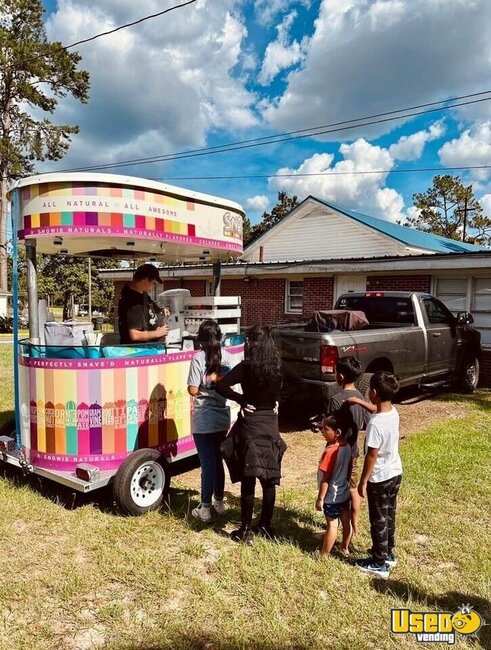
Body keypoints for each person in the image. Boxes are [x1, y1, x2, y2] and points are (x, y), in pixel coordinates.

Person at [216, 325, 288, 544]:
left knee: (249, 479)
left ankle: (245, 530)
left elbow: (220, 386)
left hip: (251, 426)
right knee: (269, 479)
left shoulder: (246, 367)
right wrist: (277, 400)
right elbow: (300, 385)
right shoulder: (278, 367)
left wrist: (241, 400)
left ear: (252, 343)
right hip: (270, 426)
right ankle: (265, 526)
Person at [351, 371, 402, 579]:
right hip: (395, 472)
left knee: (378, 519)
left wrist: (363, 481)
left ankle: (380, 564)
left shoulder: (375, 425)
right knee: (389, 514)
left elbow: (372, 455)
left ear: (372, 392)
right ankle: (388, 552)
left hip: (379, 478)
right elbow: (376, 409)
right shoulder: (393, 412)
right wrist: (359, 402)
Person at [187, 320, 233, 523]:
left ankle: (205, 508)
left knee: (207, 464)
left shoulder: (198, 358)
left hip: (203, 418)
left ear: (202, 340)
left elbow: (193, 389)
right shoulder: (228, 357)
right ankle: (219, 502)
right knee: (218, 462)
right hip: (222, 417)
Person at [325, 356, 370, 537]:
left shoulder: (336, 400)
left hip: (337, 453)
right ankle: (354, 525)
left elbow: (330, 428)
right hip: (354, 451)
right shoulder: (360, 397)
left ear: (341, 376)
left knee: (335, 487)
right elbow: (366, 422)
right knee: (352, 488)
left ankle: (333, 524)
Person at [315, 412, 352, 556]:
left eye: (325, 429)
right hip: (343, 492)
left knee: (332, 524)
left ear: (337, 432)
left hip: (331, 496)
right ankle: (345, 547)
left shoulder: (330, 451)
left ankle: (324, 554)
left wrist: (320, 498)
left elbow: (326, 478)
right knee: (346, 521)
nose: (322, 431)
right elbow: (349, 469)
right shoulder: (347, 447)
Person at [117, 263, 169, 344]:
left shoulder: (142, 294)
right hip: (138, 351)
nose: (153, 286)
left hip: (149, 346)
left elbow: (152, 308)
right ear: (145, 281)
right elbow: (135, 335)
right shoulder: (133, 301)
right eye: (153, 283)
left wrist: (161, 310)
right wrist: (158, 333)